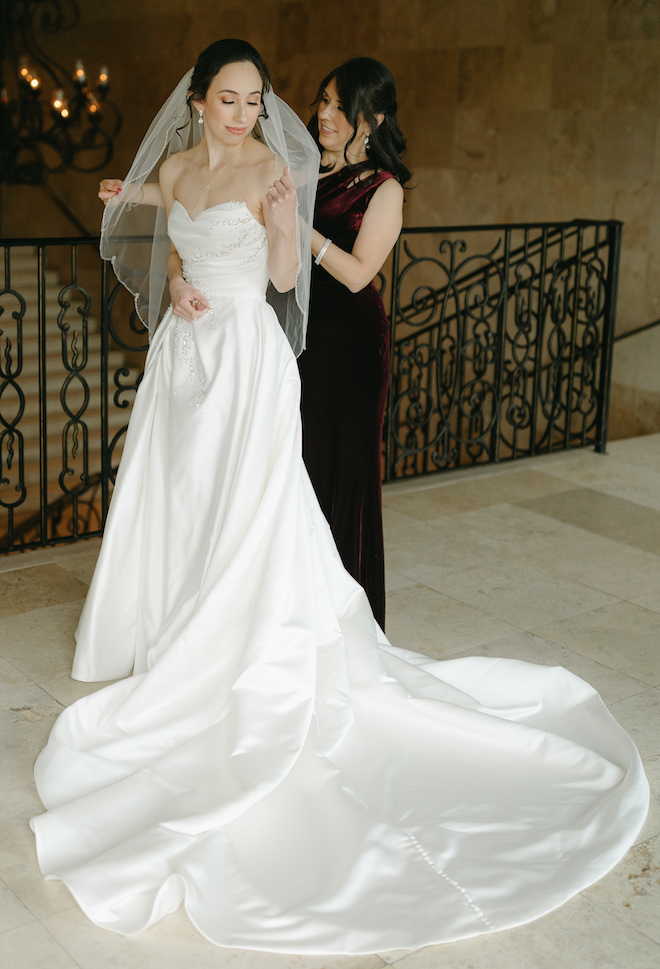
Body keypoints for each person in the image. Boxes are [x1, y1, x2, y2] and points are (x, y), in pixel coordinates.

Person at [30, 39, 649, 956]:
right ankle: (168, 624)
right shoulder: (174, 164)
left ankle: (233, 646)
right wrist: (174, 279)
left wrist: (285, 223)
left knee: (251, 511)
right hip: (185, 358)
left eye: (255, 100)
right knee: (182, 498)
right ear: (198, 102)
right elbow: (167, 235)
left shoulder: (277, 170)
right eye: (230, 100)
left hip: (248, 359)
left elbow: (286, 281)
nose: (246, 114)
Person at [301, 57, 410, 629]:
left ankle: (344, 620)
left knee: (341, 468)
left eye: (341, 106)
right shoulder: (303, 167)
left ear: (373, 118)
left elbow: (359, 273)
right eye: (323, 100)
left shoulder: (384, 189)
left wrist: (301, 228)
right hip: (296, 336)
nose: (326, 114)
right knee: (296, 464)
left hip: (350, 347)